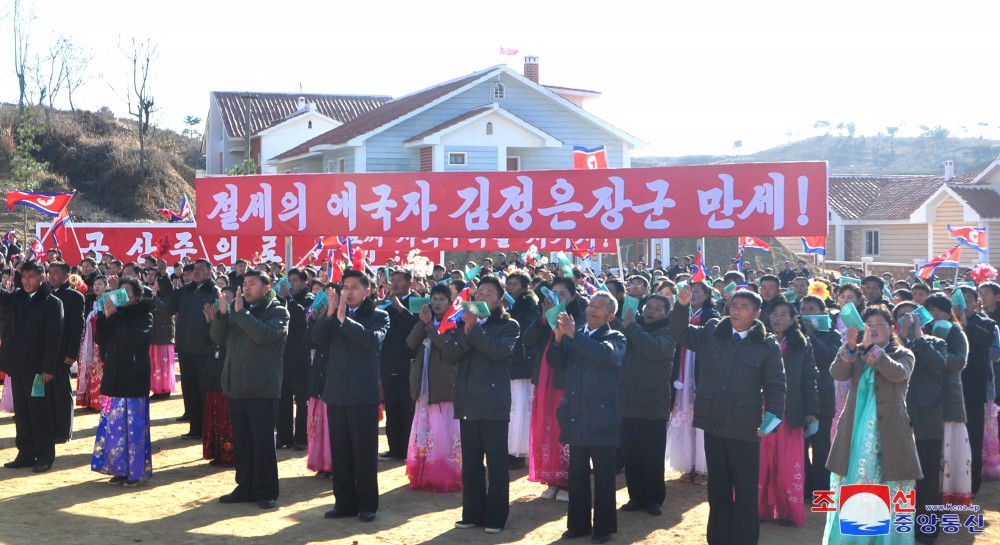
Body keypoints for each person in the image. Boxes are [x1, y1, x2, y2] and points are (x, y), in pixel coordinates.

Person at [671, 285, 786, 545]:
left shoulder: (766, 344)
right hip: (714, 421)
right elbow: (679, 332)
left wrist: (773, 418)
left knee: (745, 491)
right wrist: (681, 306)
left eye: (744, 307)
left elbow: (776, 385)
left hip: (746, 426)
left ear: (756, 313)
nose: (737, 311)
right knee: (718, 490)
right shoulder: (713, 331)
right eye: (734, 305)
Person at [823, 306, 921, 544]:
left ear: (892, 329)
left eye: (879, 324)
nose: (873, 328)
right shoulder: (855, 352)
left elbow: (897, 374)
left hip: (891, 432)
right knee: (857, 481)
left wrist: (870, 349)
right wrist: (849, 347)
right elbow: (837, 373)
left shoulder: (903, 354)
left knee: (889, 486)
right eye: (868, 324)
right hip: (855, 431)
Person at [548, 292, 626, 544]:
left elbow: (603, 356)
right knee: (577, 474)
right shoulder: (577, 333)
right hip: (576, 413)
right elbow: (555, 362)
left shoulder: (615, 337)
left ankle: (603, 528)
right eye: (592, 304)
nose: (593, 309)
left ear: (610, 315)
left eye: (600, 307)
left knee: (603, 477)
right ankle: (578, 525)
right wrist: (559, 340)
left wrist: (573, 335)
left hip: (603, 414)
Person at [313, 270, 389, 523]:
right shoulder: (334, 315)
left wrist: (346, 321)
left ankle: (367, 505)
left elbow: (371, 341)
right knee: (341, 452)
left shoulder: (379, 315)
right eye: (345, 287)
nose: (348, 291)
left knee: (364, 453)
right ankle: (344, 503)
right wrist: (330, 315)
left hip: (363, 394)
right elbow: (312, 339)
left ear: (367, 291)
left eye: (354, 287)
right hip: (336, 392)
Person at [446, 276, 519, 535]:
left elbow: (497, 352)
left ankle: (496, 517)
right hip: (467, 401)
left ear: (499, 301)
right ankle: (472, 513)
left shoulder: (508, 326)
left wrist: (475, 330)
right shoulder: (464, 322)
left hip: (493, 403)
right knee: (472, 463)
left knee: (497, 464)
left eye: (489, 294)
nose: (481, 297)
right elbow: (451, 354)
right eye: (480, 293)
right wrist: (467, 331)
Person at [212, 270, 289, 510]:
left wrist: (240, 313)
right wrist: (223, 316)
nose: (246, 288)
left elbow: (262, 335)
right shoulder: (238, 310)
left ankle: (266, 490)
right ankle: (244, 486)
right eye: (244, 284)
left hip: (262, 387)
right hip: (236, 385)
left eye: (252, 284)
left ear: (266, 288)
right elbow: (217, 338)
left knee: (263, 442)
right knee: (243, 442)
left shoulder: (278, 311)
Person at [524, 277, 586, 501]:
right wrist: (543, 320)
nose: (557, 298)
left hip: (565, 381)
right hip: (544, 379)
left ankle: (568, 481)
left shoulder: (579, 318)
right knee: (545, 428)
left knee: (563, 428)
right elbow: (528, 340)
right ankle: (551, 479)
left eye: (562, 294)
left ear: (572, 297)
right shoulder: (543, 318)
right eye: (553, 294)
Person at [1, 261, 64, 473]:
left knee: (40, 412)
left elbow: (54, 339)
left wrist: (48, 369)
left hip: (38, 370)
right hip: (17, 367)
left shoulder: (52, 303)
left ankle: (45, 455)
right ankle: (25, 453)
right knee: (22, 412)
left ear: (41, 278)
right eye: (24, 277)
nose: (27, 281)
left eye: (31, 277)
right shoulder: (16, 298)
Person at [758, 302, 817, 527]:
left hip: (790, 410)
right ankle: (757, 508)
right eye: (774, 313)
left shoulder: (802, 344)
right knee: (761, 460)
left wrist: (811, 410)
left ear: (793, 320)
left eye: (784, 314)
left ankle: (787, 510)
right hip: (762, 409)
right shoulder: (758, 340)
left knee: (787, 462)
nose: (777, 318)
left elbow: (809, 378)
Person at [91, 277, 154, 486]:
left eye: (127, 292)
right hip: (114, 374)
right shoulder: (114, 314)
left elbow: (132, 339)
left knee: (133, 427)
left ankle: (135, 473)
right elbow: (100, 338)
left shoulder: (145, 315)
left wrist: (115, 318)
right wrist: (104, 317)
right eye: (120, 291)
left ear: (136, 296)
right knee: (115, 426)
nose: (122, 295)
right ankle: (118, 469)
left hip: (134, 376)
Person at [893, 301, 947, 544]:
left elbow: (939, 366)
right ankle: (897, 526)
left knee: (927, 475)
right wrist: (901, 339)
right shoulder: (888, 347)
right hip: (896, 417)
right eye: (902, 317)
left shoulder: (936, 342)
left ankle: (926, 527)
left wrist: (919, 338)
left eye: (912, 316)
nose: (908, 320)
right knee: (896, 475)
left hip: (927, 417)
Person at [618, 293, 674, 517]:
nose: (650, 311)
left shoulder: (668, 332)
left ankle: (654, 498)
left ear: (666, 313)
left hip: (653, 403)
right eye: (647, 306)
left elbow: (654, 350)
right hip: (628, 400)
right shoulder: (632, 327)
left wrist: (631, 328)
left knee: (652, 455)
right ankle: (636, 496)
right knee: (631, 454)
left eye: (657, 308)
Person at [405, 284, 462, 491]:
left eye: (442, 299)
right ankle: (424, 472)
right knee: (425, 432)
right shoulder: (424, 319)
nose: (437, 303)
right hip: (424, 385)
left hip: (445, 387)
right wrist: (423, 323)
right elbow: (411, 343)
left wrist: (430, 326)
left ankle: (446, 474)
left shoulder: (455, 322)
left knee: (445, 433)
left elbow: (448, 348)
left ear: (449, 302)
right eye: (434, 298)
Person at [666, 281, 719, 484]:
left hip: (698, 367)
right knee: (684, 414)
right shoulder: (681, 313)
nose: (693, 294)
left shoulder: (711, 317)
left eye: (698, 291)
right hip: (682, 368)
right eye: (690, 290)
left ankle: (703, 468)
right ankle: (690, 464)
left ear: (707, 295)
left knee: (700, 416)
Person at [159, 258, 218, 439]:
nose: (196, 272)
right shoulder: (187, 290)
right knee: (189, 387)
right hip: (185, 346)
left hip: (204, 347)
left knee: (204, 389)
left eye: (201, 270)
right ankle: (195, 428)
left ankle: (207, 428)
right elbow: (171, 304)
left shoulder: (214, 292)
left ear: (210, 273)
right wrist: (162, 276)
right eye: (195, 270)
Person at [922, 294, 971, 506]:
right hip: (925, 399)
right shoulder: (922, 331)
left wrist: (937, 355)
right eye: (929, 310)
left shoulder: (957, 331)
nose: (933, 315)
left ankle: (949, 494)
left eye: (936, 310)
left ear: (947, 310)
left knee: (949, 448)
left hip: (949, 397)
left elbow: (960, 361)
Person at [953, 286, 995, 497]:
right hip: (951, 389)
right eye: (960, 299)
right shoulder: (947, 323)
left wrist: (966, 324)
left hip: (974, 389)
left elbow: (987, 341)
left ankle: (972, 484)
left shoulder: (985, 322)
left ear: (976, 302)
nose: (965, 303)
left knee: (973, 436)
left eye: (969, 299)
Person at [799, 295, 842, 499]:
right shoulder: (793, 333)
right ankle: (804, 488)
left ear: (822, 312)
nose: (807, 312)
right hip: (798, 397)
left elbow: (828, 358)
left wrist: (811, 336)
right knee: (799, 447)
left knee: (821, 446)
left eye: (812, 308)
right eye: (804, 308)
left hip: (822, 396)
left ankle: (822, 490)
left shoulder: (832, 334)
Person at [379, 268, 419, 461]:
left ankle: (407, 449)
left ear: (409, 283)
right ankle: (394, 448)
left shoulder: (418, 302)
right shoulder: (384, 305)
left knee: (408, 408)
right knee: (392, 408)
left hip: (409, 364)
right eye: (392, 280)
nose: (394, 283)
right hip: (388, 363)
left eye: (400, 280)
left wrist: (400, 309)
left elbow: (418, 327)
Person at [276, 268, 314, 450]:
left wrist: (289, 300)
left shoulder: (310, 299)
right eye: (289, 280)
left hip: (302, 357)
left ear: (304, 283)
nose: (291, 284)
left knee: (302, 399)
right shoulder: (280, 301)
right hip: (283, 355)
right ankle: (283, 436)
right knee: (282, 398)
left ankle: (301, 437)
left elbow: (305, 317)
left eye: (295, 280)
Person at [47, 261, 85, 443]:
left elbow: (78, 328)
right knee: (47, 392)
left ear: (66, 276)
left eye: (55, 272)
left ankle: (63, 432)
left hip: (63, 353)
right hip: (45, 353)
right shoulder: (45, 295)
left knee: (62, 393)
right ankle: (51, 428)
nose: (51, 275)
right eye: (49, 272)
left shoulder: (75, 297)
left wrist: (72, 354)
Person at [506, 272, 539, 470]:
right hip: (512, 362)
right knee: (512, 409)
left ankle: (519, 452)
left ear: (525, 286)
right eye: (508, 283)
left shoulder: (528, 304)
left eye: (514, 284)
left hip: (523, 363)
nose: (510, 287)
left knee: (520, 410)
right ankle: (510, 449)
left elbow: (526, 330)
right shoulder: (511, 303)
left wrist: (510, 311)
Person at [201, 286, 235, 466]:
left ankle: (229, 454)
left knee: (226, 412)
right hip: (213, 368)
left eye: (227, 297)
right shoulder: (216, 318)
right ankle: (215, 452)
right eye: (221, 297)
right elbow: (207, 342)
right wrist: (210, 322)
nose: (223, 300)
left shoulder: (237, 318)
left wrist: (220, 321)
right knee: (213, 411)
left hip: (228, 370)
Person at [78, 276, 108, 411]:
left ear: (106, 287)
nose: (96, 287)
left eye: (100, 284)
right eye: (95, 284)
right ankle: (89, 400)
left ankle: (99, 401)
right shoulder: (89, 300)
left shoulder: (109, 301)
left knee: (99, 369)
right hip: (88, 340)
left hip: (101, 339)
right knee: (88, 368)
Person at [148, 268, 176, 401]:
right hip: (152, 333)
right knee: (154, 363)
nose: (153, 280)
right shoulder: (149, 294)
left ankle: (165, 389)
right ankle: (156, 388)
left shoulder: (170, 295)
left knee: (163, 363)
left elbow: (166, 311)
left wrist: (154, 297)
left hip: (164, 334)